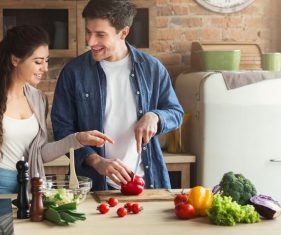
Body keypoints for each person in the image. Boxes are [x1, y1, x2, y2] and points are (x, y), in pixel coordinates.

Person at [0, 25, 113, 197]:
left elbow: (39, 154)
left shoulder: (38, 99)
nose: (45, 68)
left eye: (46, 60)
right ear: (15, 60)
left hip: (31, 187)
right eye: (38, 62)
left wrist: (77, 139)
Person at [51, 0, 184, 191]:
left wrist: (154, 116)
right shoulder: (73, 72)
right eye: (88, 32)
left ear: (123, 33)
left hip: (146, 183)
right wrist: (96, 161)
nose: (90, 42)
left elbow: (176, 113)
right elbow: (62, 130)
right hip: (93, 186)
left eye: (100, 35)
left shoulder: (152, 68)